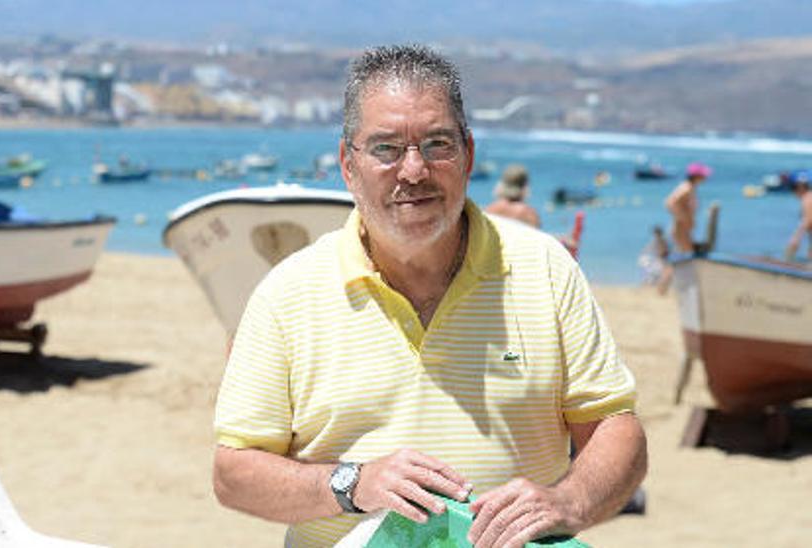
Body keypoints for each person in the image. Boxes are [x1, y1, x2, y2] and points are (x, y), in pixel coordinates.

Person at [212, 45, 646, 548]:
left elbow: (617, 430)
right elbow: (233, 473)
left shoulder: (545, 270)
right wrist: (355, 484)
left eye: (437, 144)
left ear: (468, 155)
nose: (413, 170)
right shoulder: (288, 293)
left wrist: (570, 502)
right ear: (347, 164)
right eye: (386, 149)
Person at [663, 162, 711, 253]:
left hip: (684, 230)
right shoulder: (686, 188)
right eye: (703, 176)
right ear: (696, 176)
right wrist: (684, 218)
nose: (705, 178)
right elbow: (670, 203)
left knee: (686, 256)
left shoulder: (690, 188)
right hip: (680, 230)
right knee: (688, 256)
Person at [784, 178, 812, 262]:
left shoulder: (807, 199)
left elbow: (808, 220)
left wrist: (796, 238)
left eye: (793, 189)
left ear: (800, 189)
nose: (793, 193)